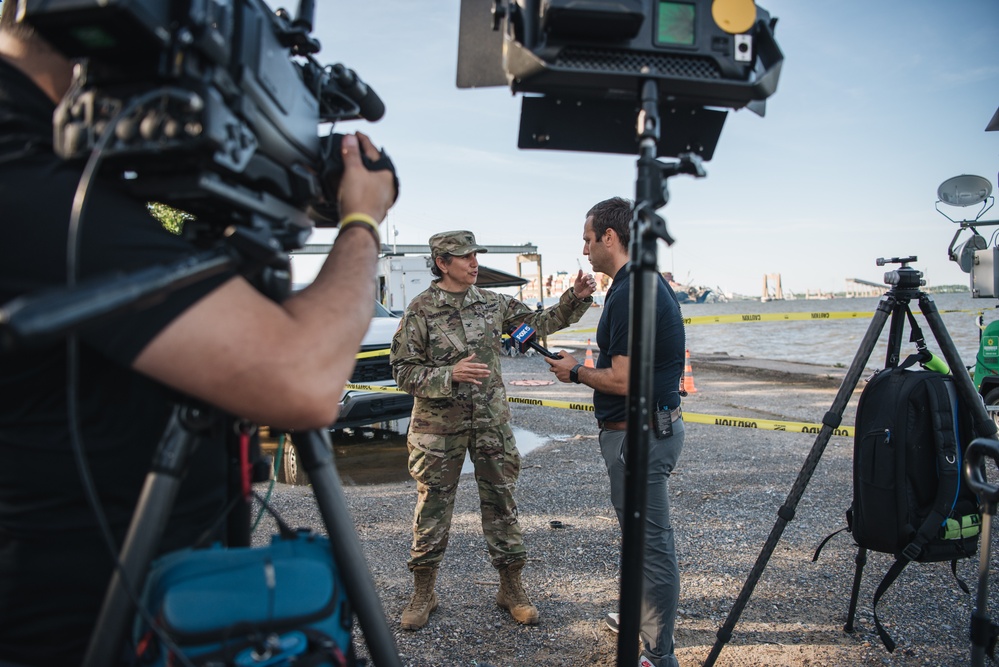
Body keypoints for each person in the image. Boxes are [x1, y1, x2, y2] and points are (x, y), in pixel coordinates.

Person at [0, 7, 396, 666]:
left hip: (174, 601)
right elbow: (301, 378)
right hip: (78, 630)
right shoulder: (20, 168)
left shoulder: (70, 168)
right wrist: (361, 217)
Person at [390, 230, 596, 630]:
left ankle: (511, 588)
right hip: (438, 429)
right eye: (463, 257)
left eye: (474, 255)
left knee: (501, 503)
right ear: (442, 263)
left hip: (490, 424)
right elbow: (402, 370)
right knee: (433, 507)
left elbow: (539, 324)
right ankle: (423, 591)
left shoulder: (493, 303)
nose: (473, 262)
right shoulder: (420, 310)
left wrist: (575, 297)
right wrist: (449, 374)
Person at [544, 197, 686, 667]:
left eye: (588, 239)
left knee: (651, 544)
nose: (584, 250)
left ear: (610, 236)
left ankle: (658, 655)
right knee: (639, 537)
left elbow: (625, 381)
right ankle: (639, 617)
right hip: (642, 431)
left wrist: (577, 372)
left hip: (638, 436)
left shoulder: (630, 292)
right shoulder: (638, 283)